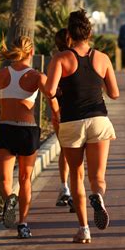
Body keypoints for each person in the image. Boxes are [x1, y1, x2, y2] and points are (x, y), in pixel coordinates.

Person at [45, 9, 119, 244]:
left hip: (71, 121)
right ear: (90, 32)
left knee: (76, 175)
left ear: (69, 33)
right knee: (97, 176)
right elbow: (115, 93)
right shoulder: (102, 58)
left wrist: (63, 89)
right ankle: (97, 195)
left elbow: (49, 90)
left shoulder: (61, 58)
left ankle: (83, 229)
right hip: (98, 120)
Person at [0, 36, 56, 238]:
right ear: (31, 52)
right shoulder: (37, 76)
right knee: (25, 179)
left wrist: (1, 111)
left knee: (5, 180)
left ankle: (10, 201)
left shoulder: (2, 74)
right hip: (27, 130)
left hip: (5, 128)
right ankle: (23, 224)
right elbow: (53, 99)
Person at [53, 28, 75, 212]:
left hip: (60, 111)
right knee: (78, 153)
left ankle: (65, 187)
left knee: (64, 151)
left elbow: (50, 91)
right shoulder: (76, 58)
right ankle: (75, 192)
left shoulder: (56, 60)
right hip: (77, 112)